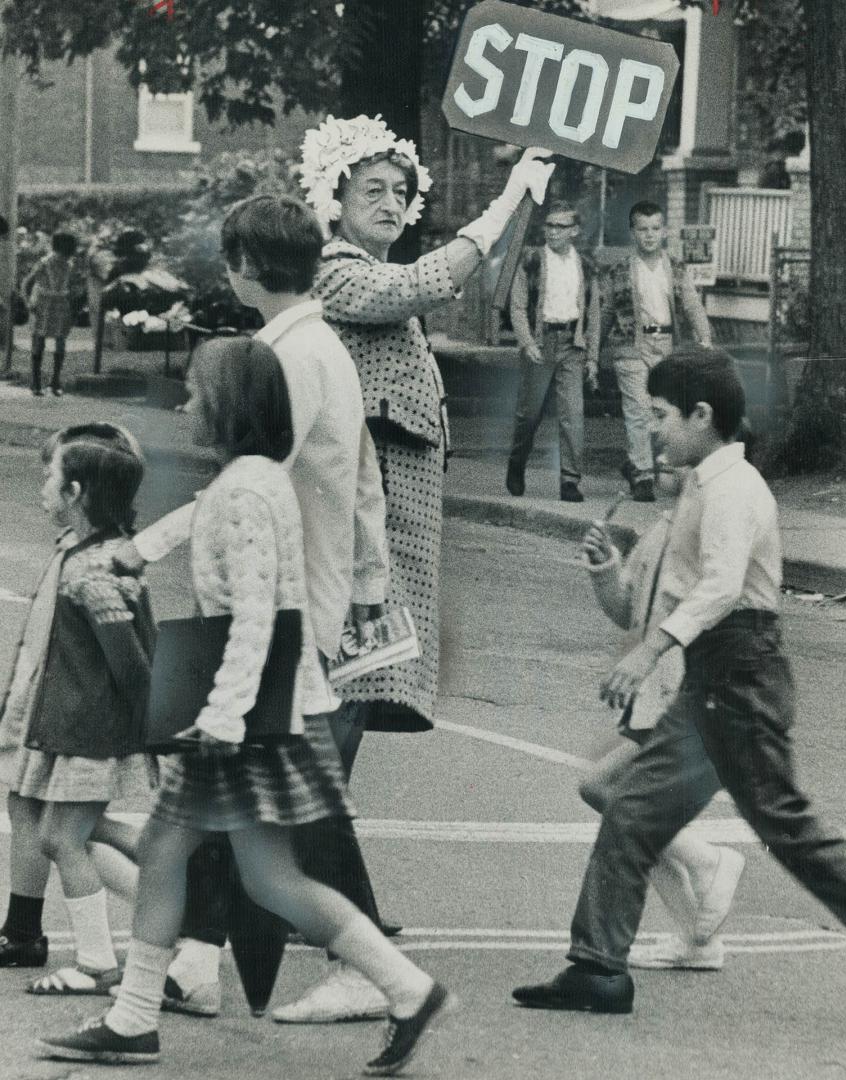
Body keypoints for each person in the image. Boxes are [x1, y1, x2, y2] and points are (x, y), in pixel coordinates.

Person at [38, 339, 450, 1076]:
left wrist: (222, 719)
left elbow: (257, 617)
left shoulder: (247, 491)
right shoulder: (250, 480)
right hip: (257, 713)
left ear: (230, 406)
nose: (187, 405)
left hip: (246, 720)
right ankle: (405, 988)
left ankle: (136, 1021)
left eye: (198, 393)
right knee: (252, 873)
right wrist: (144, 553)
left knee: (209, 863)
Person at [272, 115, 553, 1022]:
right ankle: (321, 896)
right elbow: (428, 283)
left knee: (348, 704)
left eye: (400, 192)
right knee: (340, 703)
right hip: (363, 528)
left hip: (394, 525)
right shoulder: (340, 272)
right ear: (335, 203)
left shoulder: (373, 275)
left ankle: (309, 889)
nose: (390, 204)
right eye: (371, 192)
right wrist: (506, 199)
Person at [113, 193, 393, 1023]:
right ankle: (197, 956)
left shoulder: (288, 359)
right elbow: (367, 475)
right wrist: (370, 581)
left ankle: (370, 965)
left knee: (295, 790)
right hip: (308, 586)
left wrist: (144, 544)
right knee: (230, 787)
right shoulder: (319, 345)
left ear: (243, 267)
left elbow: (249, 475)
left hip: (279, 596)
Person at [512, 348, 846, 1015]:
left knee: (789, 827)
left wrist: (649, 654)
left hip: (740, 673)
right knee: (632, 808)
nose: (653, 429)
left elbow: (724, 586)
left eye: (663, 415)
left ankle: (599, 964)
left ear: (703, 415)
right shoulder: (704, 483)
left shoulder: (735, 488)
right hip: (713, 676)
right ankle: (597, 968)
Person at [0, 424, 154, 994]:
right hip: (72, 726)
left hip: (86, 731)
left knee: (63, 838)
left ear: (77, 494)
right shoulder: (92, 554)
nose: (41, 485)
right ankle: (192, 893)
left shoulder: (94, 570)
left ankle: (98, 962)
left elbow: (131, 664)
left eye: (50, 476)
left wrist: (141, 730)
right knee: (72, 833)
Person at [579, 481, 744, 971]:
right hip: (654, 695)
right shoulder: (664, 526)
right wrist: (606, 565)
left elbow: (713, 611)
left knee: (605, 789)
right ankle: (698, 939)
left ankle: (709, 862)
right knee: (626, 809)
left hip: (683, 693)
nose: (653, 443)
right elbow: (630, 611)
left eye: (661, 420)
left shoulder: (710, 525)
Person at [586, 202, 712, 502]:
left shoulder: (676, 269)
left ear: (664, 231)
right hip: (630, 347)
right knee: (638, 411)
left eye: (655, 228)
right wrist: (592, 354)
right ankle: (642, 474)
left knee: (662, 412)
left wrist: (704, 338)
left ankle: (644, 464)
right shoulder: (619, 271)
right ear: (633, 233)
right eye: (643, 229)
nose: (650, 235)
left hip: (667, 346)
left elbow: (692, 305)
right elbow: (603, 313)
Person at [506, 200, 597, 503]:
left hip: (573, 344)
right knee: (529, 415)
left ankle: (570, 480)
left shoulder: (585, 265)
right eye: (549, 225)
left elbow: (592, 311)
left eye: (560, 226)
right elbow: (517, 306)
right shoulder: (531, 260)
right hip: (541, 343)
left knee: (573, 414)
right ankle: (517, 463)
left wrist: (593, 356)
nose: (552, 231)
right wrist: (527, 342)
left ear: (574, 231)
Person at [23, 231, 78, 397]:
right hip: (43, 304)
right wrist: (28, 303)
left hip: (60, 303)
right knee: (39, 341)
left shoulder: (69, 264)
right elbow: (26, 283)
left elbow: (69, 284)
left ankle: (55, 381)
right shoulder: (44, 263)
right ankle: (36, 382)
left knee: (61, 341)